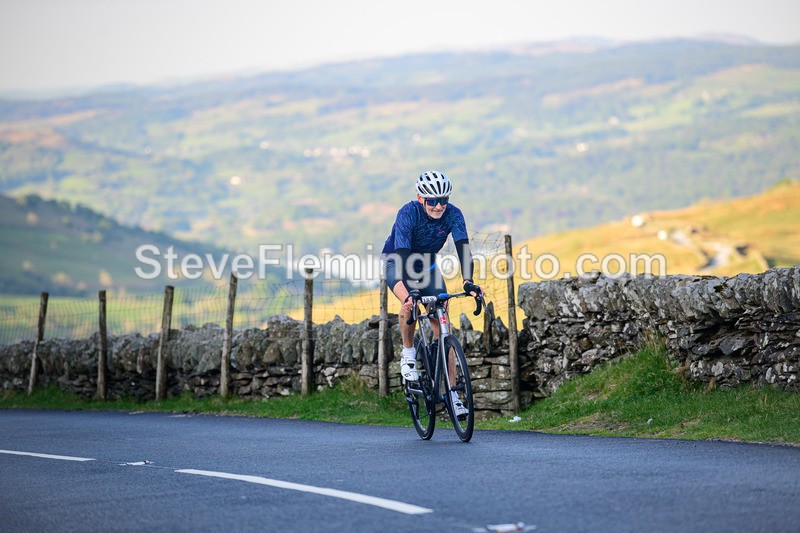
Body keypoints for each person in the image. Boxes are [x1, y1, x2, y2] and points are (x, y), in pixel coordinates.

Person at [381, 170, 482, 418]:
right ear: (420, 198)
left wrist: (469, 282)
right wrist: (412, 292)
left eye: (443, 200)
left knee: (443, 320)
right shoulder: (408, 213)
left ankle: (452, 394)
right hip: (398, 262)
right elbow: (403, 252)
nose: (438, 206)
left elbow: (463, 249)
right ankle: (408, 353)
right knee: (408, 304)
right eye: (432, 201)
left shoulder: (454, 214)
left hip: (428, 267)